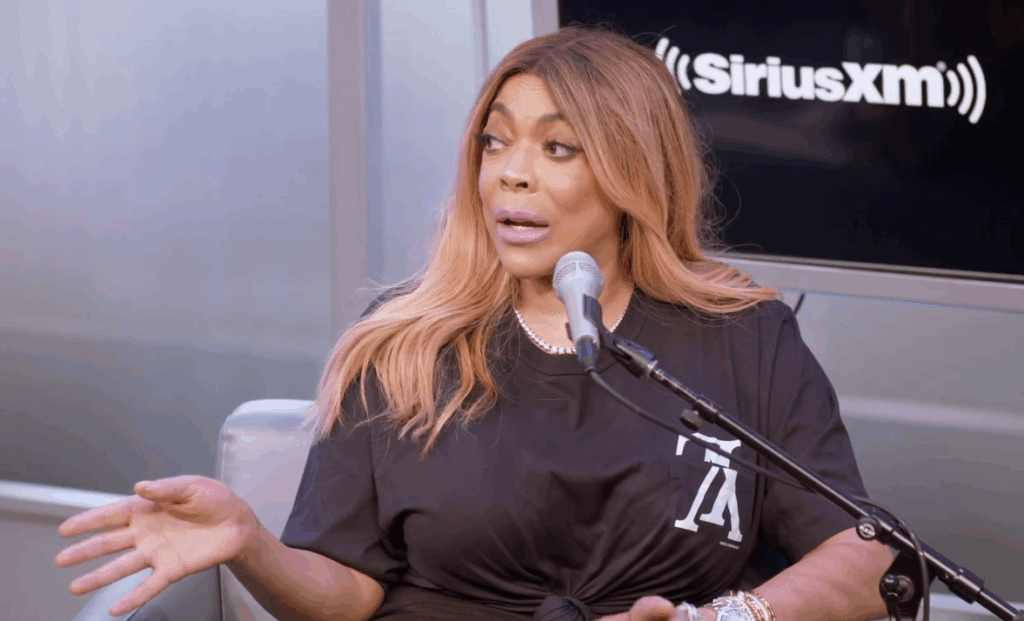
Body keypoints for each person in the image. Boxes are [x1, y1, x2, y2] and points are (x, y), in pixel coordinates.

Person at [54, 25, 894, 621]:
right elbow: (345, 590)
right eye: (495, 142)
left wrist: (724, 618)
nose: (510, 176)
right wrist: (250, 541)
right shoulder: (404, 341)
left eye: (557, 148)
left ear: (634, 172)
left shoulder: (744, 336)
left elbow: (870, 560)